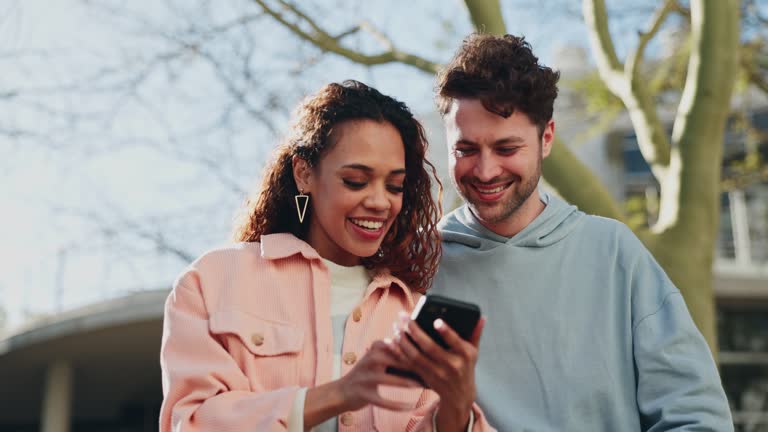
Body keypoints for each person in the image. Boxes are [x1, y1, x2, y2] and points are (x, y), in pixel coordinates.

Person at [428, 33, 733, 431]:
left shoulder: (614, 253)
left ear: (547, 138)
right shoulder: (420, 262)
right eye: (466, 150)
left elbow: (696, 417)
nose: (486, 171)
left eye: (506, 149)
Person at [159, 80, 495, 432]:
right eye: (355, 181)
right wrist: (338, 394)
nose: (380, 202)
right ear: (304, 174)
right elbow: (193, 421)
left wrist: (456, 411)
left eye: (394, 186)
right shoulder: (213, 280)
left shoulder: (410, 312)